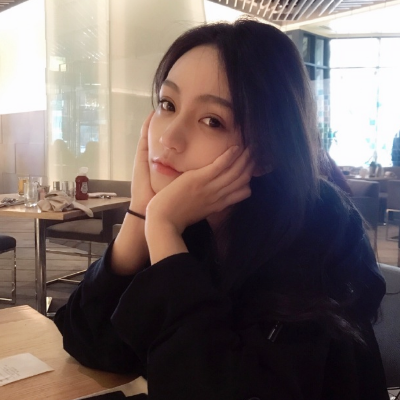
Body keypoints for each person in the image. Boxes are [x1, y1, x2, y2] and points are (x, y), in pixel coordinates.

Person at [54, 18, 388, 400]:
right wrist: (142, 213)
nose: (169, 137)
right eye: (168, 104)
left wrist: (162, 230)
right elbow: (92, 345)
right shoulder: (191, 218)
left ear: (267, 152)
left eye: (212, 121)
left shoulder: (320, 233)